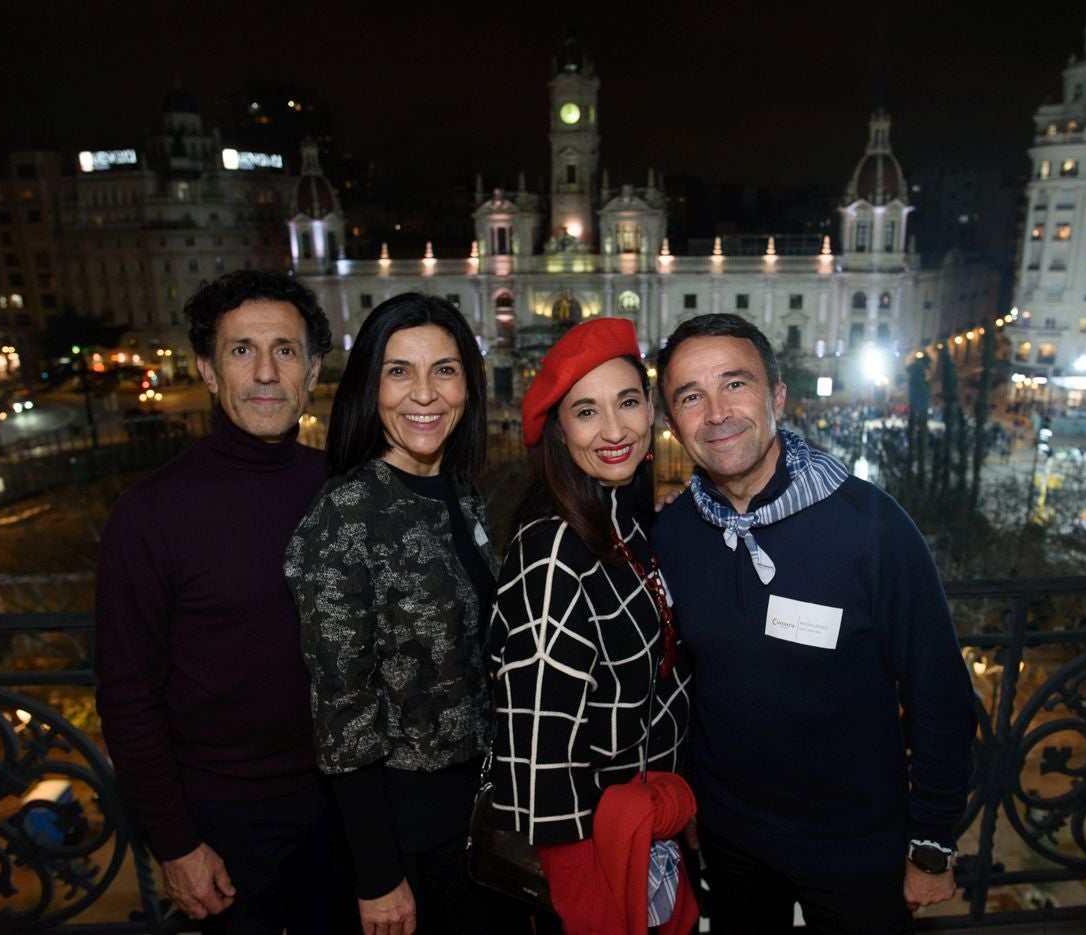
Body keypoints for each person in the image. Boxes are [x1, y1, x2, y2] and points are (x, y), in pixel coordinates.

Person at [652, 314, 977, 935]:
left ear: (777, 397)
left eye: (735, 384)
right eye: (690, 396)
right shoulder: (673, 533)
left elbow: (939, 696)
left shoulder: (871, 527)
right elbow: (684, 683)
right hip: (732, 841)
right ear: (674, 423)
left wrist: (932, 843)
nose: (716, 412)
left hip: (855, 849)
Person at [95, 270, 353, 934]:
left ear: (314, 369)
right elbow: (128, 694)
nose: (266, 372)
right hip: (224, 821)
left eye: (286, 350)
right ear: (208, 371)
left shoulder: (346, 490)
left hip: (346, 807)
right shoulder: (150, 513)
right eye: (242, 350)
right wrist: (175, 842)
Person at [286, 293, 512, 935]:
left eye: (444, 369)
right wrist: (378, 874)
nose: (425, 393)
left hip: (478, 812)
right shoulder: (345, 516)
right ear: (370, 387)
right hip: (409, 833)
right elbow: (342, 712)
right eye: (399, 371)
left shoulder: (459, 492)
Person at [490, 317, 697, 935]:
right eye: (586, 412)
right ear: (558, 432)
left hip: (642, 838)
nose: (614, 430)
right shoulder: (554, 552)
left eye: (628, 402)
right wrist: (592, 913)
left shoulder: (623, 524)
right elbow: (539, 758)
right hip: (593, 863)